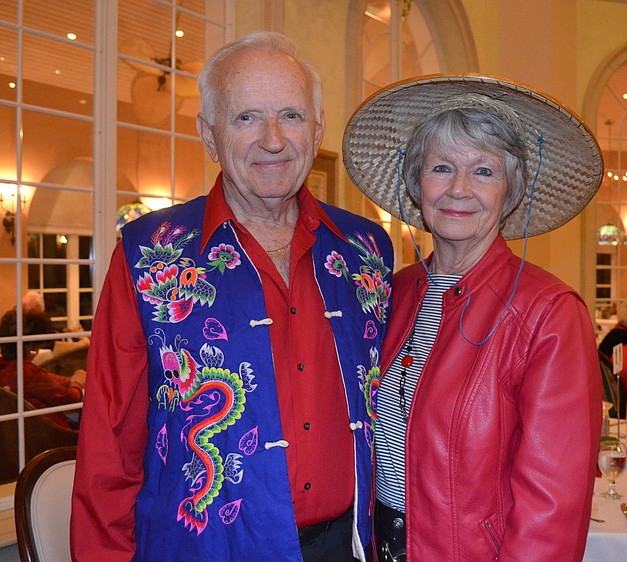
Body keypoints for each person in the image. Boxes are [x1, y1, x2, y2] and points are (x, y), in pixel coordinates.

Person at [71, 32, 393, 561]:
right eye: (247, 117)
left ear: (317, 130)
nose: (273, 139)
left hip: (348, 545)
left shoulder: (367, 249)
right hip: (202, 548)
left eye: (291, 115)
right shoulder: (150, 253)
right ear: (209, 134)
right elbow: (110, 436)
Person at [343, 75, 602, 561]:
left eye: (483, 171)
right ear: (416, 184)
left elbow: (553, 507)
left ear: (510, 192)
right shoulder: (393, 293)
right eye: (441, 167)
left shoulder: (548, 313)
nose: (458, 189)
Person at [0, 309, 85, 429]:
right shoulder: (27, 372)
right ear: (27, 346)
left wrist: (71, 380)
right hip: (46, 433)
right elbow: (70, 399)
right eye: (35, 349)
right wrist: (77, 383)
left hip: (10, 431)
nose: (35, 354)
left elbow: (46, 380)